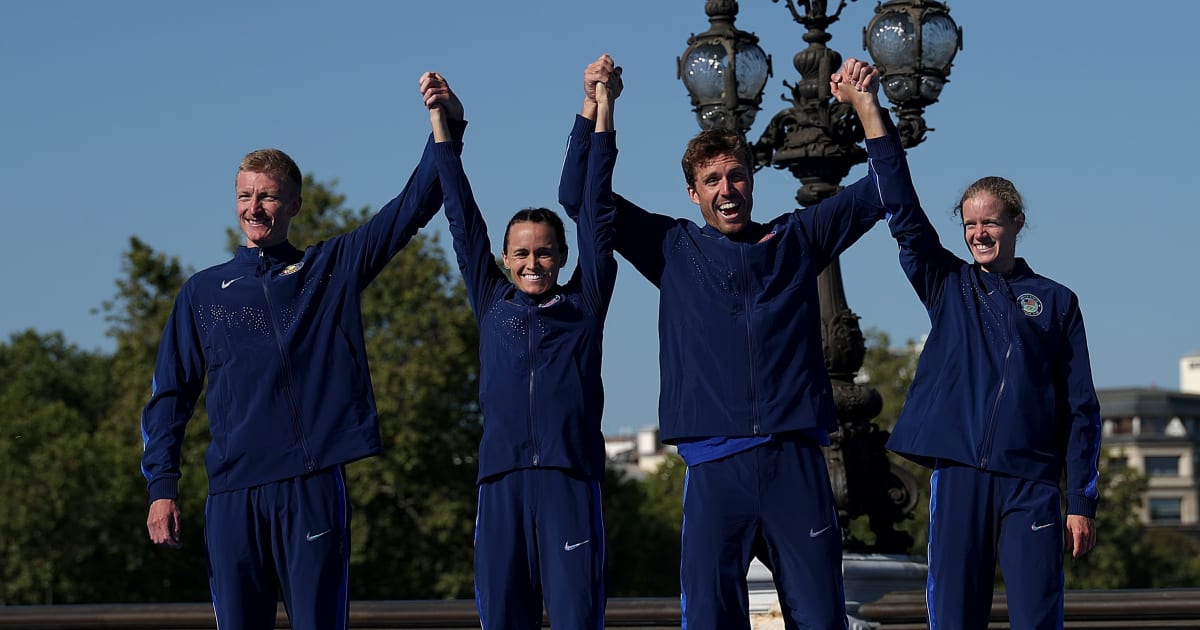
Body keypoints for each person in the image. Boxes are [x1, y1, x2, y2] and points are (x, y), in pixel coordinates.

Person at [559, 56, 921, 630]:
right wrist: (598, 107)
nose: (726, 190)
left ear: (751, 180)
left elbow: (888, 189)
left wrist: (866, 107)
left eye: (736, 176)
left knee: (822, 619)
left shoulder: (796, 240)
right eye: (712, 181)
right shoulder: (672, 249)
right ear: (692, 193)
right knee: (708, 619)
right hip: (714, 465)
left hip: (795, 463)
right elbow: (581, 199)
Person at [140, 93, 461, 629]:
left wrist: (446, 125)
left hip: (309, 487)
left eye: (268, 197)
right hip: (232, 495)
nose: (254, 208)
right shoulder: (202, 293)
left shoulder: (328, 269)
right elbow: (170, 395)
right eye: (245, 196)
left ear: (294, 204)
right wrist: (161, 487)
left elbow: (411, 207)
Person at [422, 68, 618, 629]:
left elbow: (598, 214)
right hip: (501, 482)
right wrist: (440, 124)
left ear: (560, 256)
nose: (533, 264)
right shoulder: (491, 302)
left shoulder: (584, 305)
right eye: (522, 254)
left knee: (578, 619)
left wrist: (602, 111)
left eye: (545, 252)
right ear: (506, 260)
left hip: (569, 480)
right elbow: (461, 217)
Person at [884, 175, 1101, 629]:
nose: (978, 234)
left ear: (1017, 222)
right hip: (961, 477)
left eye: (990, 223)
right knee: (955, 618)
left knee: (1037, 619)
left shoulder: (1057, 301)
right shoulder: (947, 284)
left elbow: (1081, 409)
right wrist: (870, 117)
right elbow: (903, 213)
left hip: (1033, 485)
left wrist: (1080, 501)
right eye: (969, 224)